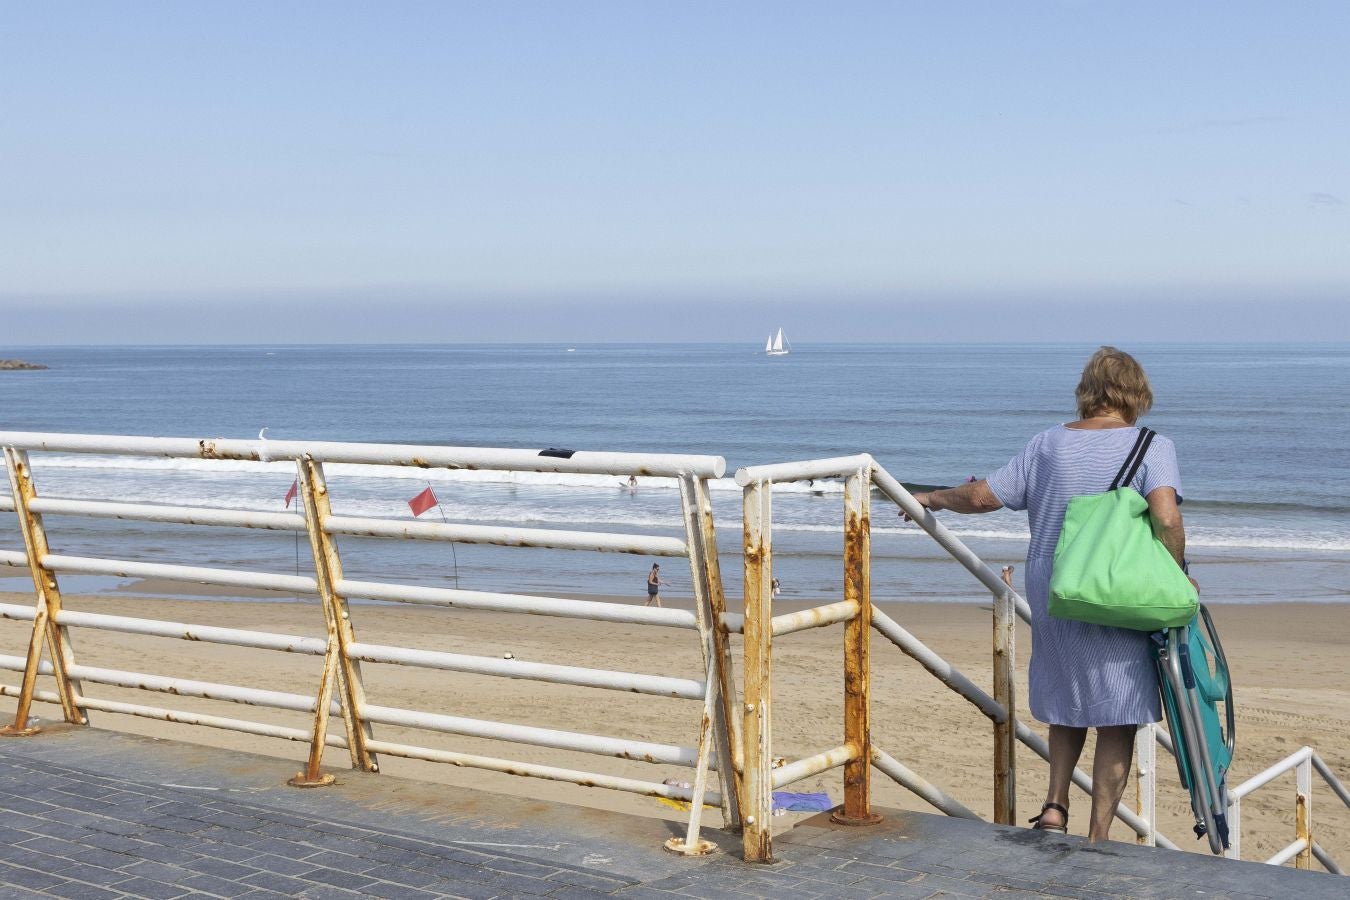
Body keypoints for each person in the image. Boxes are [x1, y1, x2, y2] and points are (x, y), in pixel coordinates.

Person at [905, 346, 1196, 843]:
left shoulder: (1048, 444)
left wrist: (929, 498)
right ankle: (1098, 833)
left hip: (1057, 587)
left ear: (1088, 392)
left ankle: (1054, 805)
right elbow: (1166, 517)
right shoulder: (1153, 445)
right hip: (1121, 593)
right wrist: (1179, 573)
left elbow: (984, 496)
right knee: (1118, 711)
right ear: (1137, 393)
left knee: (1067, 694)